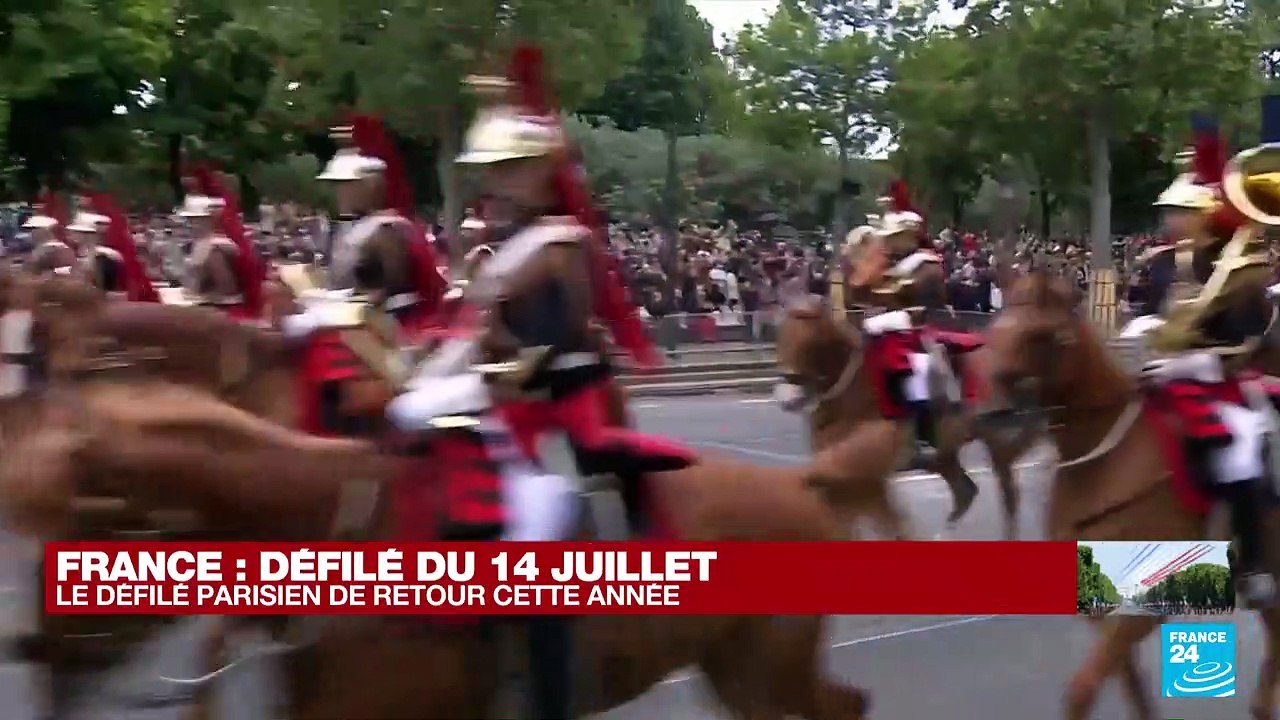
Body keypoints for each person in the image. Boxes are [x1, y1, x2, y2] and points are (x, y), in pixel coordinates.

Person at [452, 44, 689, 720]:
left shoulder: (561, 242)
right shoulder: (491, 249)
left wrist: (505, 356)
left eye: (509, 170)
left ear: (537, 174)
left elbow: (566, 329)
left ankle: (551, 688)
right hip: (502, 396)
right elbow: (474, 322)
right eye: (491, 172)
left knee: (540, 528)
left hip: (561, 393)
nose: (496, 184)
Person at [1137, 116, 1276, 609]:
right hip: (1162, 376)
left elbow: (1244, 348)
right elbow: (1152, 315)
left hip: (1227, 386)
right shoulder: (1162, 265)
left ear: (1205, 214)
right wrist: (1141, 334)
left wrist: (1186, 367)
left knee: (1238, 447)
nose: (1169, 220)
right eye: (1168, 211)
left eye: (1179, 211)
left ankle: (1255, 562)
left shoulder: (1246, 273)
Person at [848, 181, 952, 466]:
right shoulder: (894, 264)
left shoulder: (927, 265)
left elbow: (921, 305)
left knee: (918, 371)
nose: (890, 243)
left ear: (909, 237)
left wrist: (886, 311)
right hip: (893, 329)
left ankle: (923, 437)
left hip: (924, 329)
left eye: (895, 237)